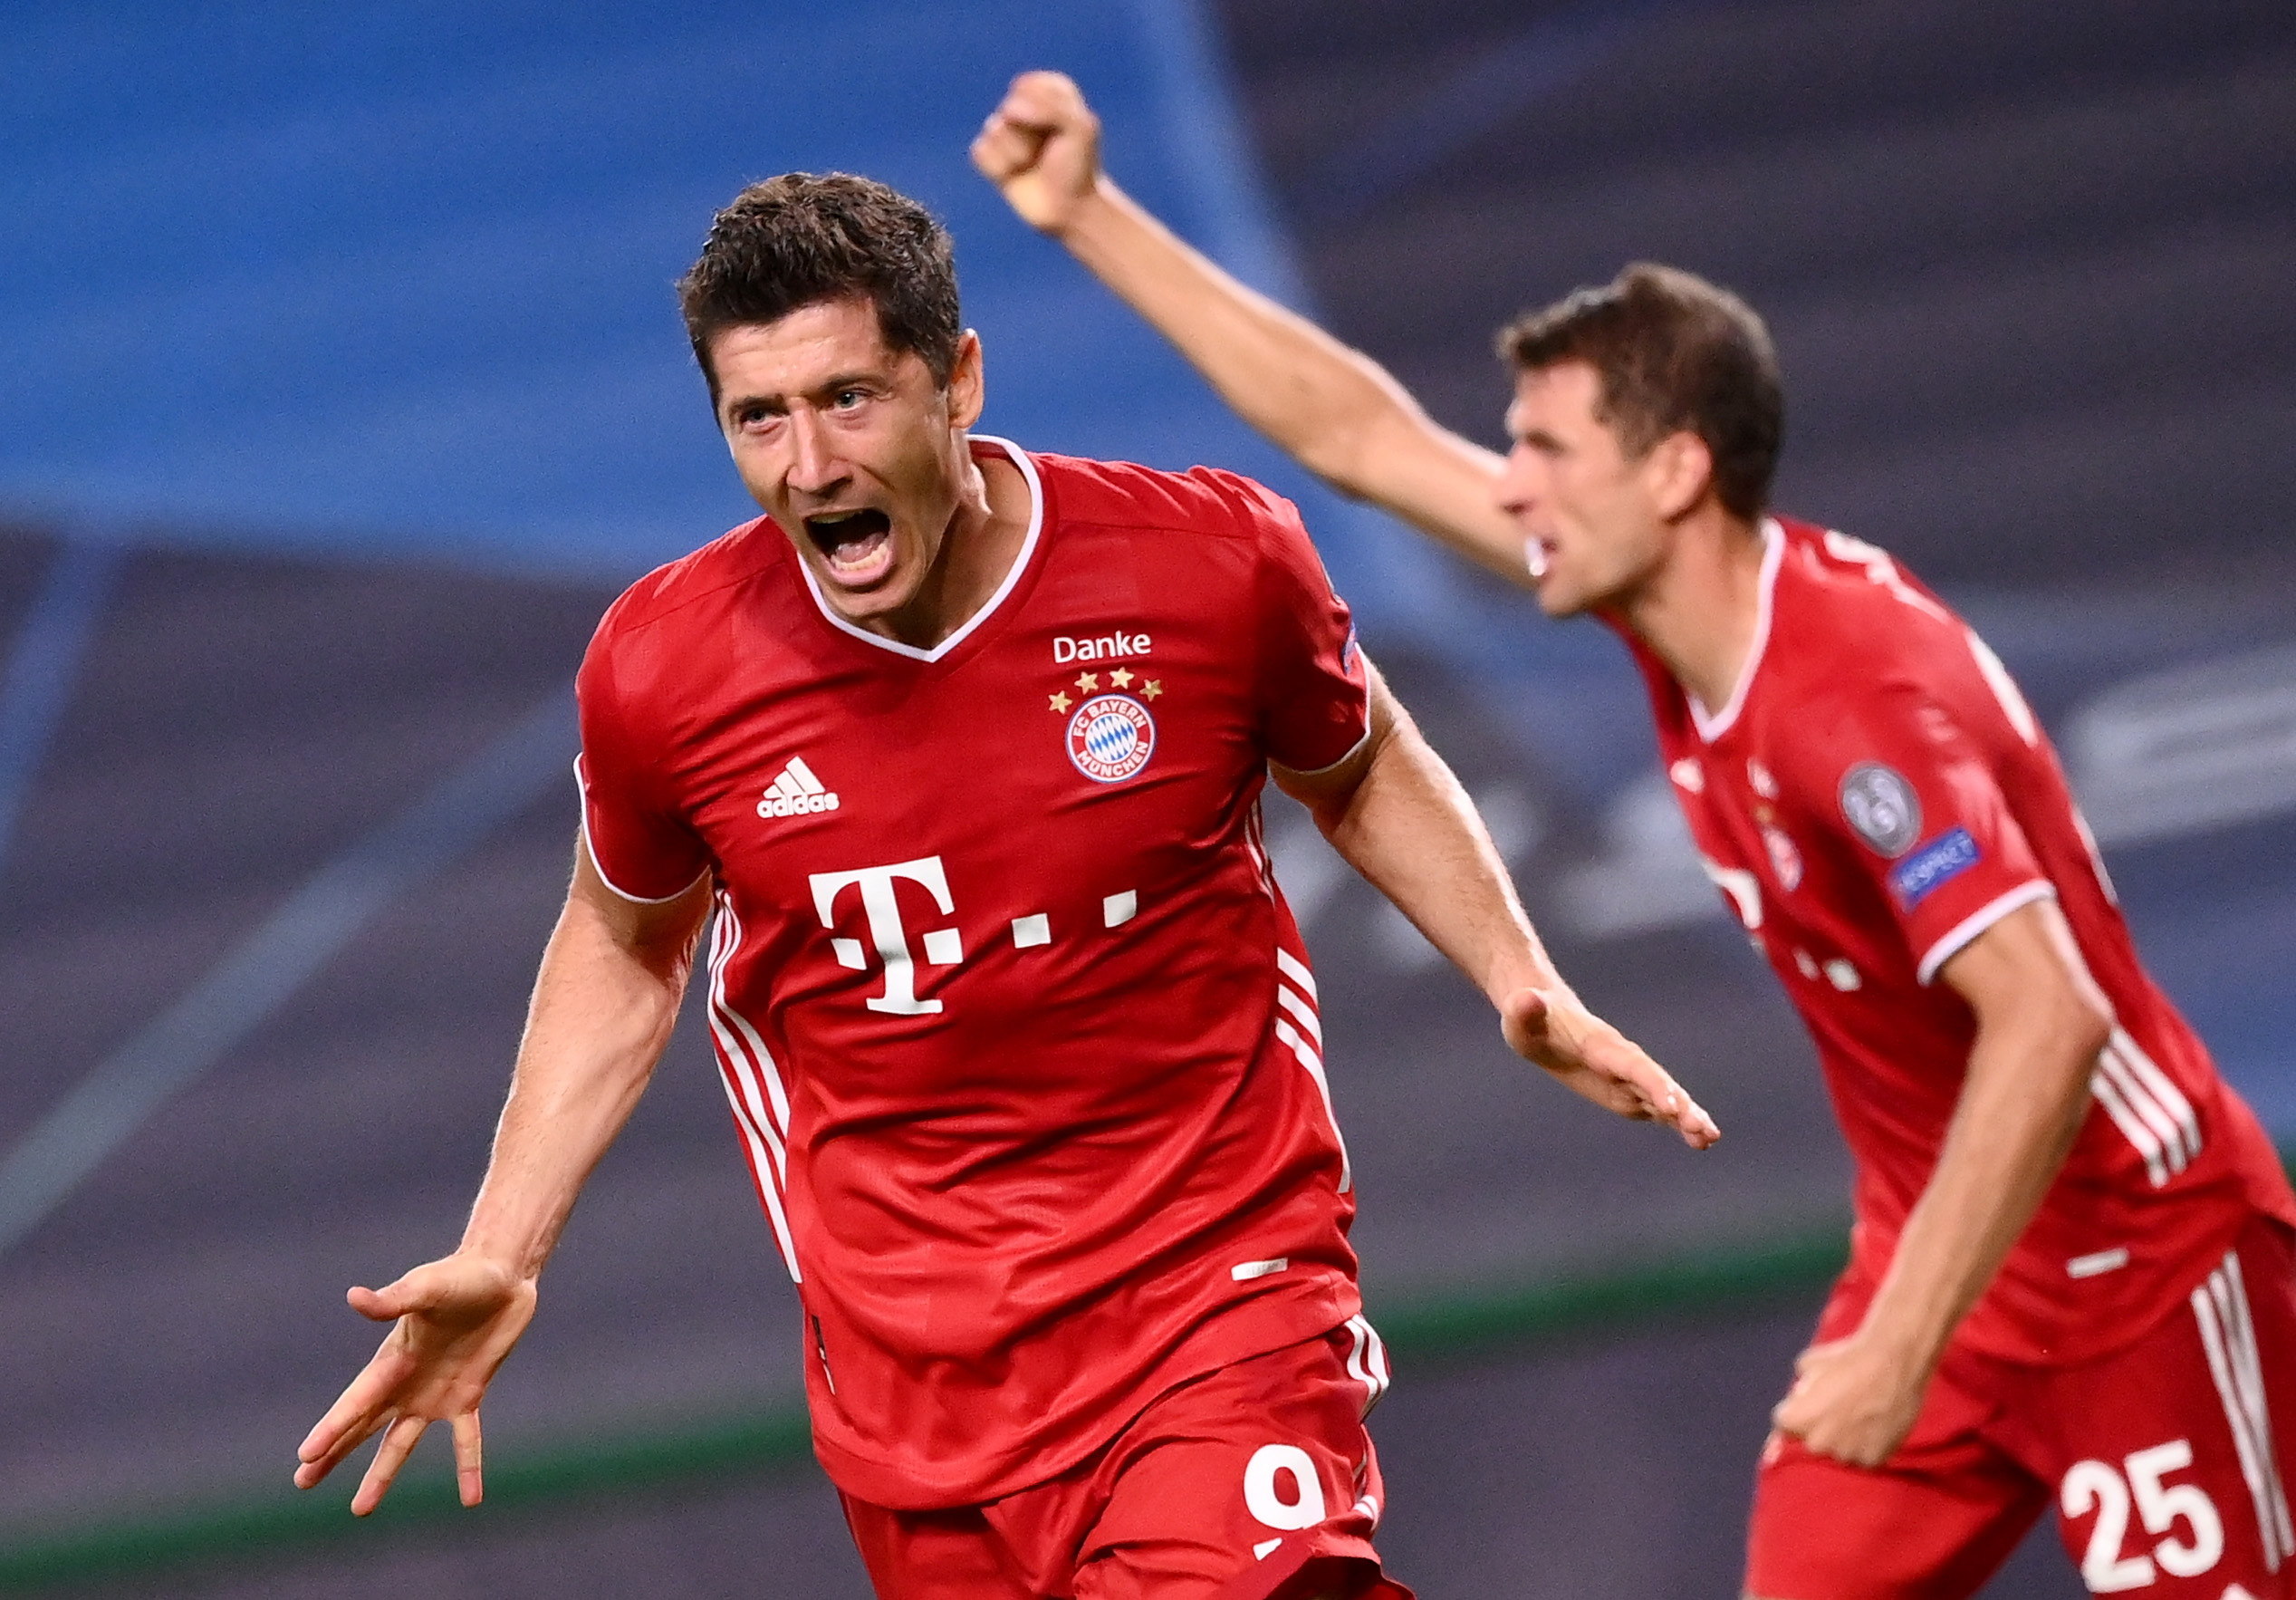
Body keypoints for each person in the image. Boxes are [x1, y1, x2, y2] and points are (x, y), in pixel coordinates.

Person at [291, 170, 1717, 1600]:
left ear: (958, 379)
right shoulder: (666, 671)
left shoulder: (1207, 566)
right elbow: (627, 939)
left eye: (849, 398)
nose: (808, 465)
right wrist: (503, 1244)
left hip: (1217, 1293)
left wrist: (1518, 975)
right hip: (918, 1386)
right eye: (758, 417)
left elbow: (1353, 758)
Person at [974, 71, 2296, 1599]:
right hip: (1954, 1272)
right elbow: (1364, 438)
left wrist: (1894, 1348)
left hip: (2143, 1270)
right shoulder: (1682, 610)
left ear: (1673, 474)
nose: (1511, 482)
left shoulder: (1851, 698)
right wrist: (1089, 215)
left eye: (1546, 451)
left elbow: (2049, 1017)